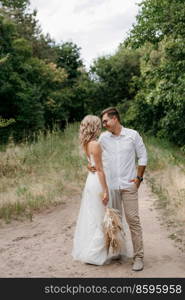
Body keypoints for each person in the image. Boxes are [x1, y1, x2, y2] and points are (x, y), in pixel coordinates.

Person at [90, 107, 147, 271]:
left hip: (129, 186)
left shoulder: (132, 135)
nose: (104, 124)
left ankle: (139, 257)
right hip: (112, 185)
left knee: (133, 221)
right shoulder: (103, 138)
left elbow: (143, 156)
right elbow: (96, 155)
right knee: (115, 221)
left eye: (106, 121)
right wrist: (91, 165)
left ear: (115, 119)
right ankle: (119, 252)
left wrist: (138, 179)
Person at [72, 115, 128, 265]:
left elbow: (92, 164)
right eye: (99, 124)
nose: (101, 126)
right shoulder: (95, 144)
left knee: (94, 217)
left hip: (90, 181)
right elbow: (100, 170)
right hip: (98, 181)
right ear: (94, 126)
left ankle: (93, 251)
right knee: (102, 218)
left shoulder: (85, 143)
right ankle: (95, 254)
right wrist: (105, 191)